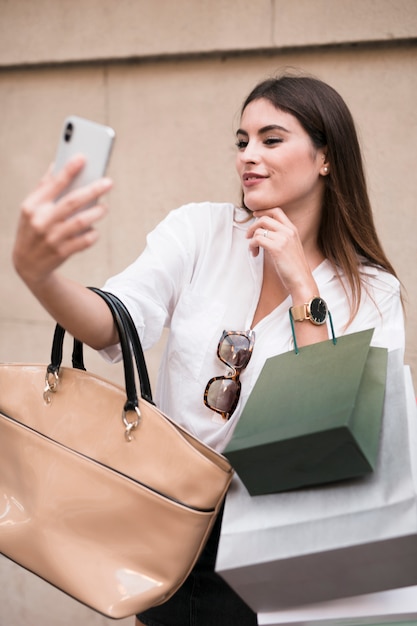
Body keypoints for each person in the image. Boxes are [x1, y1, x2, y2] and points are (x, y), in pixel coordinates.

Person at [12, 73, 405, 626]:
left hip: (281, 540)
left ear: (326, 158)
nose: (249, 155)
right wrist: (41, 277)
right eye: (242, 141)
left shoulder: (373, 291)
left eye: (271, 139)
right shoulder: (200, 231)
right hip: (167, 524)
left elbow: (330, 434)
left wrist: (302, 287)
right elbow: (113, 323)